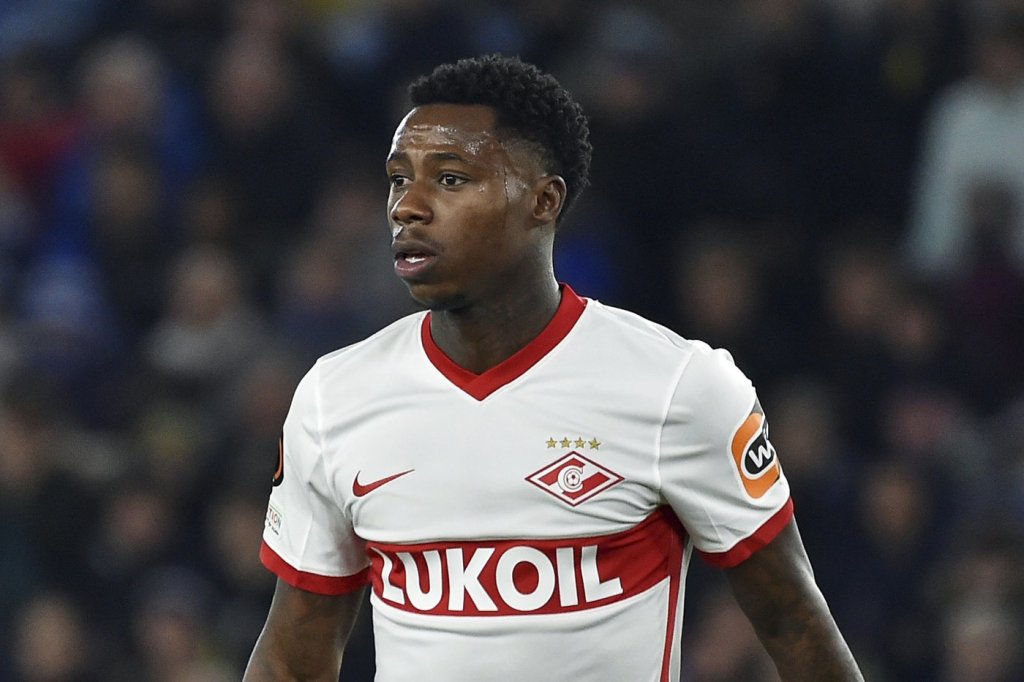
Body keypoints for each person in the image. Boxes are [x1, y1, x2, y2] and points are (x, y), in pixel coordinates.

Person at [244, 54, 863, 681]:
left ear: (543, 201)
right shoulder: (334, 397)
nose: (408, 206)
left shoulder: (677, 387)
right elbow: (292, 658)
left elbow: (793, 622)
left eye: (450, 179)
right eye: (399, 179)